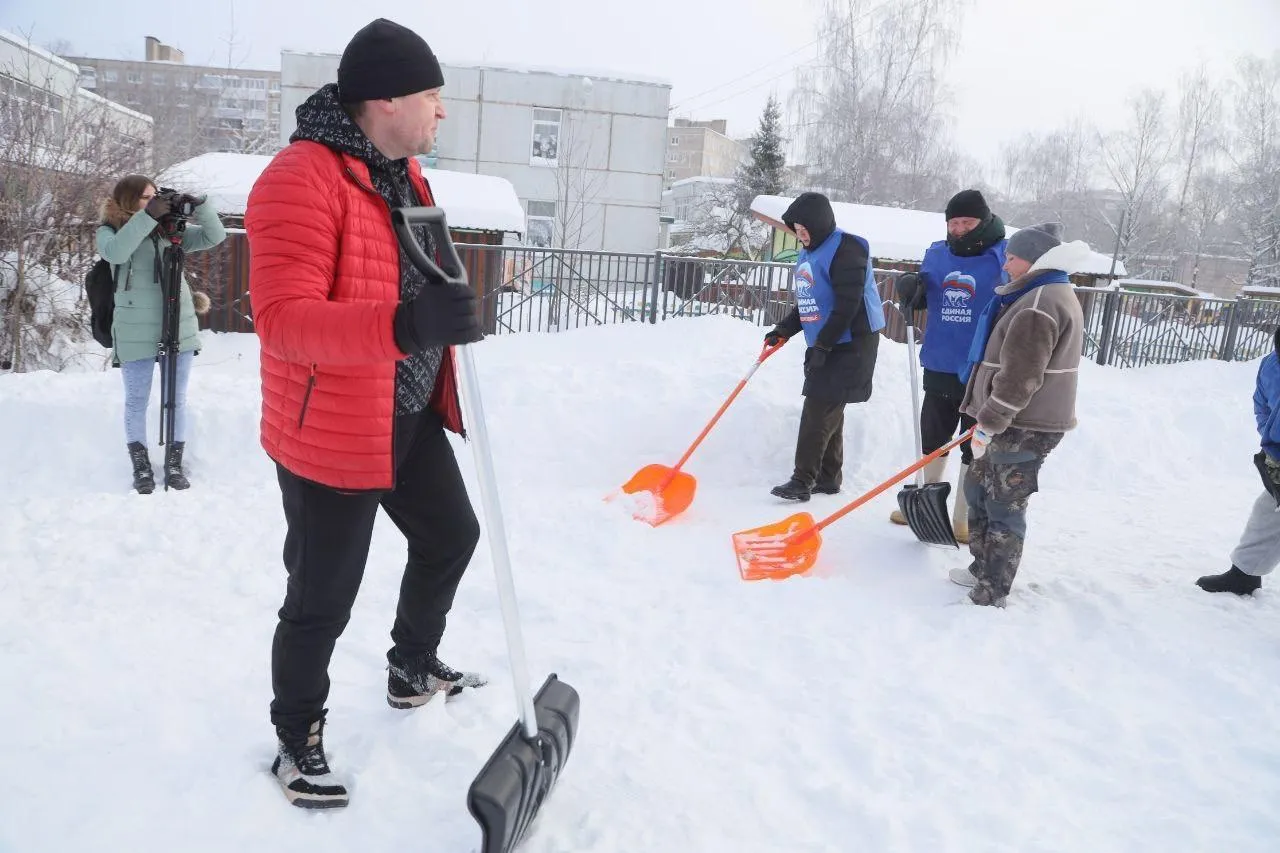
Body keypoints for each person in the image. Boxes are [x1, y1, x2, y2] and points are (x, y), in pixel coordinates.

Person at [244, 18, 485, 809]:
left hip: (403, 409)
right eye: (431, 96)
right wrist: (406, 328)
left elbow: (417, 271)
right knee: (322, 595)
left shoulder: (404, 174)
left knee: (453, 534)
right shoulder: (298, 179)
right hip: (331, 427)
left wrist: (448, 303)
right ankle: (294, 736)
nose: (440, 112)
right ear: (384, 100)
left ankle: (411, 664)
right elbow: (284, 319)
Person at [947, 223, 1087, 606]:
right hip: (1008, 420)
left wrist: (989, 423)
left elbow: (1020, 377)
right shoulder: (1036, 294)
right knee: (978, 489)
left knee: (1004, 503)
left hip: (1024, 424)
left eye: (1011, 258)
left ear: (1036, 259)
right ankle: (981, 567)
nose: (1005, 265)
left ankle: (994, 587)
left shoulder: (1040, 304)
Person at [890, 190, 1007, 542]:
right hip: (940, 360)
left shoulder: (1003, 256)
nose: (958, 229)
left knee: (974, 443)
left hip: (981, 366)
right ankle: (924, 505)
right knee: (932, 437)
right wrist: (912, 289)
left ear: (983, 221)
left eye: (966, 222)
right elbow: (927, 294)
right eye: (953, 222)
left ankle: (964, 518)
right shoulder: (937, 254)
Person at [95, 175, 223, 494]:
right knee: (137, 401)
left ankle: (174, 464)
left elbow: (214, 235)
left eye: (157, 197)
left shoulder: (170, 230)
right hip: (134, 331)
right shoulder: (109, 230)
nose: (155, 203)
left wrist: (201, 205)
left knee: (176, 400)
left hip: (178, 324)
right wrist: (147, 217)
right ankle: (140, 466)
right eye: (146, 197)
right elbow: (116, 253)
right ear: (129, 200)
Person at [764, 192, 885, 501]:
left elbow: (847, 304)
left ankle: (802, 480)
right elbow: (810, 301)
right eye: (796, 230)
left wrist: (823, 345)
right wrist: (784, 330)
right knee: (831, 405)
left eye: (805, 229)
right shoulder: (809, 252)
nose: (800, 235)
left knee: (819, 406)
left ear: (820, 224)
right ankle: (828, 478)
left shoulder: (848, 248)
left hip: (852, 341)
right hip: (829, 340)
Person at [1196, 328, 1280, 596]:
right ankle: (1245, 574)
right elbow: (1262, 404)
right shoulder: (1271, 364)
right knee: (1268, 513)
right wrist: (1270, 437)